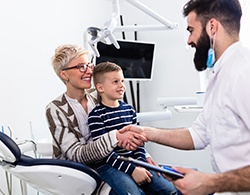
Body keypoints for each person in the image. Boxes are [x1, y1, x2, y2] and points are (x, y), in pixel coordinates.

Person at [121, 0, 250, 195]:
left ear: (212, 27)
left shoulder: (243, 73)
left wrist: (213, 183)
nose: (189, 40)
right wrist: (146, 132)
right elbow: (198, 135)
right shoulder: (220, 75)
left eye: (191, 30)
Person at [45, 44, 148, 194]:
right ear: (64, 74)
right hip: (82, 176)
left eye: (89, 65)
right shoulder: (55, 109)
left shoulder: (99, 94)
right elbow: (77, 155)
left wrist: (144, 158)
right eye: (81, 67)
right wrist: (116, 137)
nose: (89, 71)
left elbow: (124, 123)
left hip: (116, 163)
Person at [88, 61, 179, 195]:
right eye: (115, 82)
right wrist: (132, 170)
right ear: (100, 88)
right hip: (109, 165)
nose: (122, 86)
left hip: (134, 160)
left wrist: (141, 164)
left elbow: (139, 143)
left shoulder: (129, 110)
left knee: (169, 190)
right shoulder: (96, 116)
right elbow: (105, 154)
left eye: (122, 81)